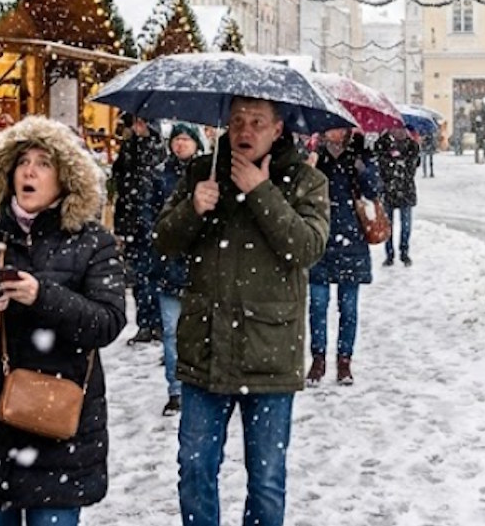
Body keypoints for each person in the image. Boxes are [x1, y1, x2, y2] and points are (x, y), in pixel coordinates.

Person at [0, 116, 124, 526]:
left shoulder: (93, 241)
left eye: (44, 163)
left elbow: (107, 322)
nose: (29, 171)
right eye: (22, 162)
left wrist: (42, 296)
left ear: (66, 177)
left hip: (57, 420)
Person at [154, 97, 330, 526]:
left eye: (257, 122)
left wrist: (262, 192)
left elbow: (305, 248)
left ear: (278, 128)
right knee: (195, 470)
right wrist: (191, 208)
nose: (245, 131)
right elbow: (163, 241)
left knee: (266, 479)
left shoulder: (306, 180)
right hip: (205, 350)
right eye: (237, 122)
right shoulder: (202, 171)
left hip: (269, 353)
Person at [308, 128, 382, 387]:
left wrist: (363, 165)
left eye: (339, 127)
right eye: (330, 127)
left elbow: (374, 190)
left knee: (348, 308)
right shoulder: (315, 155)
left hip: (352, 239)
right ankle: (318, 359)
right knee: (317, 305)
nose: (334, 132)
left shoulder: (361, 154)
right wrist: (310, 166)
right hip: (320, 237)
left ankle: (344, 361)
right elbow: (300, 191)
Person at [147, 123, 202, 416]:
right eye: (177, 139)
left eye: (186, 139)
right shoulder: (160, 175)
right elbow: (154, 219)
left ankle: (199, 385)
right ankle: (176, 389)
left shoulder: (209, 174)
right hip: (169, 263)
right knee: (171, 332)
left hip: (199, 267)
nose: (180, 145)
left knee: (200, 331)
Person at [110, 113, 165, 344]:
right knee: (139, 276)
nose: (138, 126)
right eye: (136, 122)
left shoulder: (158, 150)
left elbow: (154, 188)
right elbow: (121, 186)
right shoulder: (128, 150)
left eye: (143, 122)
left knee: (155, 275)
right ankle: (145, 322)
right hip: (134, 222)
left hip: (152, 221)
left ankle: (158, 323)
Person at [374, 125, 420, 267]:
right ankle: (389, 254)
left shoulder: (412, 145)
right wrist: (393, 162)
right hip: (388, 191)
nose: (399, 132)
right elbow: (380, 165)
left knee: (406, 225)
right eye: (396, 128)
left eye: (402, 129)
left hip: (406, 191)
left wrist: (399, 161)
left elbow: (413, 166)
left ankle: (404, 252)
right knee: (388, 226)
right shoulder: (382, 143)